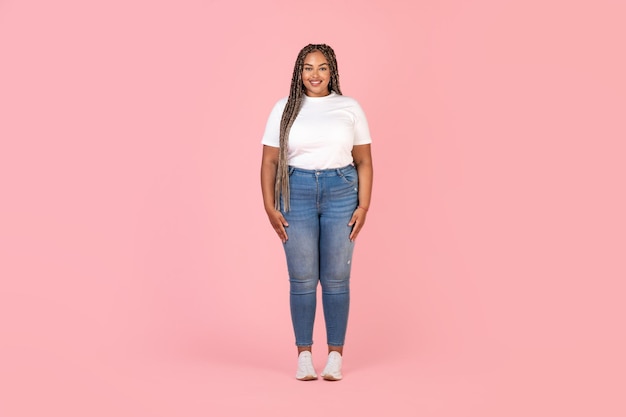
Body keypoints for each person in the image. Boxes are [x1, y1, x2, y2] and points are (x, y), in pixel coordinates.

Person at [260, 44, 373, 381]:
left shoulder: (349, 107)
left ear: (332, 71)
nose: (315, 75)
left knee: (337, 277)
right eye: (308, 68)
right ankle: (305, 356)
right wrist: (269, 205)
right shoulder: (284, 108)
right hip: (296, 192)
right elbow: (269, 161)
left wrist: (364, 205)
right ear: (299, 72)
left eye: (322, 68)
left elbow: (364, 161)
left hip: (342, 192)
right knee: (303, 278)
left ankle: (335, 355)